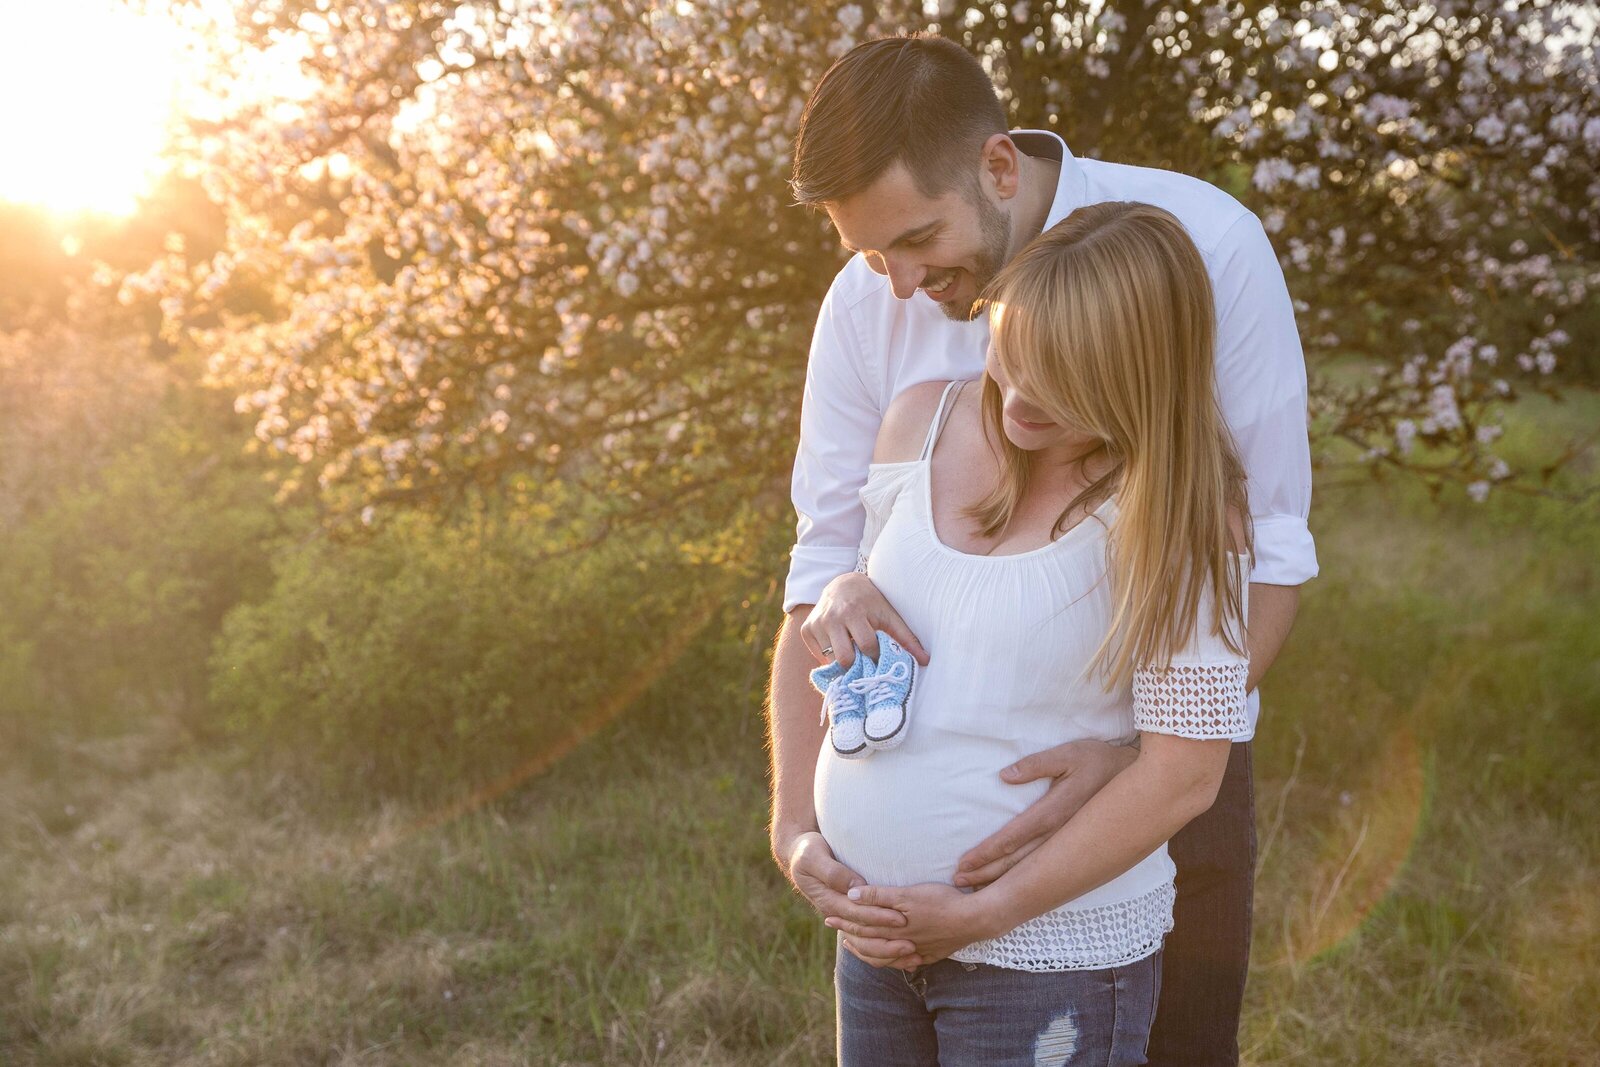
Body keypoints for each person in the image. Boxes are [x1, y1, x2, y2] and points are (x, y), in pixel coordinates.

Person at [765, 34, 1317, 1066]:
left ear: (999, 165)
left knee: (1182, 1045)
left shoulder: (1205, 244)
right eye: (868, 253)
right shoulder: (871, 302)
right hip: (896, 928)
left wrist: (1136, 754)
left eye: (917, 239)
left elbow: (1269, 550)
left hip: (1136, 811)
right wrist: (796, 826)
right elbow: (825, 553)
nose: (898, 284)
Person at [818, 199, 1248, 1065]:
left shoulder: (1172, 520)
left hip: (1047, 964)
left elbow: (1183, 774)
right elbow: (896, 601)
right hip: (877, 942)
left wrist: (979, 913)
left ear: (1138, 377)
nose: (1017, 396)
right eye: (1009, 357)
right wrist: (843, 592)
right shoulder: (921, 422)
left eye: (1060, 380)